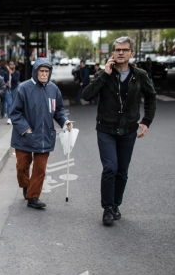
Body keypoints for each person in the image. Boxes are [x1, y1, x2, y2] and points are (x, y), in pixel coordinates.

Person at [82, 36, 156, 226]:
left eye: (125, 50)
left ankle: (116, 205)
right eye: (117, 50)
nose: (121, 53)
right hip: (106, 129)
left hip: (128, 130)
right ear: (112, 53)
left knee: (122, 171)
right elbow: (87, 96)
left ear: (131, 53)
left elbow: (151, 97)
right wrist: (104, 75)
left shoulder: (139, 75)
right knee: (110, 168)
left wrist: (146, 120)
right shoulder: (104, 73)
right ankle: (107, 208)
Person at [10, 58, 73, 210]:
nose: (44, 74)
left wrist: (65, 121)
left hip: (45, 136)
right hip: (24, 135)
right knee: (22, 166)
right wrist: (25, 128)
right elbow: (14, 112)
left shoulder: (53, 89)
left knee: (40, 168)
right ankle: (26, 185)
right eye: (42, 71)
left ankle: (33, 196)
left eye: (47, 71)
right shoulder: (23, 88)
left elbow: (58, 110)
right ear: (35, 71)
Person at [6, 60, 20, 125]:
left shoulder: (17, 73)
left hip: (14, 89)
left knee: (14, 104)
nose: (11, 65)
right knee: (9, 103)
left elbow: (16, 80)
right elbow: (3, 80)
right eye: (10, 64)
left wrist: (12, 74)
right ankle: (9, 118)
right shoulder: (6, 73)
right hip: (8, 90)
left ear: (14, 65)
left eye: (12, 64)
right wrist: (5, 83)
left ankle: (13, 117)